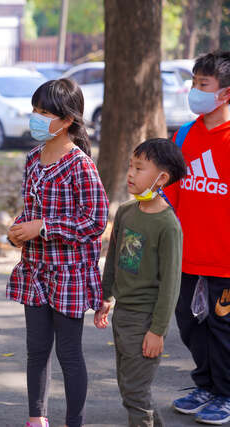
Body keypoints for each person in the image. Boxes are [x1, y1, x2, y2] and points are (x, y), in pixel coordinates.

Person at [6, 79, 109, 427]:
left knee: (68, 353)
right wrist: (19, 230)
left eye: (45, 113)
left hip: (69, 276)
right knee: (36, 351)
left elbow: (95, 221)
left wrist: (44, 228)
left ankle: (73, 421)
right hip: (34, 271)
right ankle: (37, 418)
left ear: (67, 121)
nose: (36, 118)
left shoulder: (81, 165)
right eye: (35, 111)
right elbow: (30, 210)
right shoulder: (33, 158)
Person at [95, 138, 187, 426]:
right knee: (130, 388)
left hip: (145, 321)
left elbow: (171, 282)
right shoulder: (125, 212)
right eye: (130, 166)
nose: (131, 174)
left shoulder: (168, 225)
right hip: (123, 314)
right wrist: (106, 296)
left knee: (135, 392)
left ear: (162, 178)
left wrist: (157, 331)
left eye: (139, 168)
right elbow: (112, 259)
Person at [164, 51, 230, 425]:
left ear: (225, 94)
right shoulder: (184, 134)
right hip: (186, 257)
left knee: (223, 330)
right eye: (193, 83)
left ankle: (226, 393)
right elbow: (171, 194)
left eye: (203, 85)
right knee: (192, 326)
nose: (193, 92)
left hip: (224, 260)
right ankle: (205, 386)